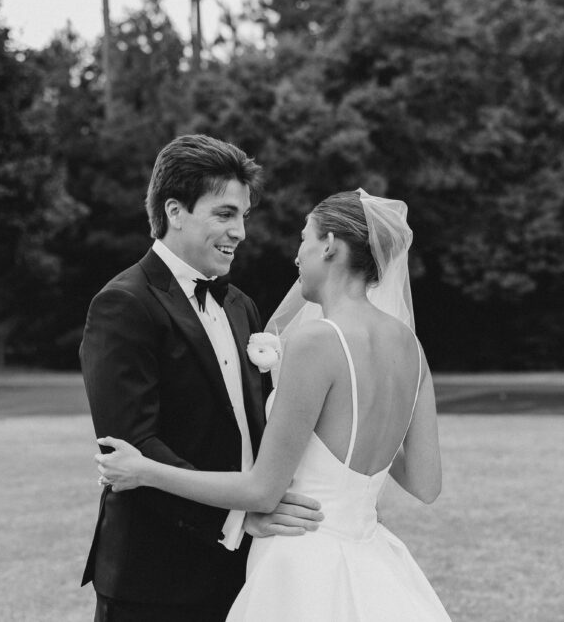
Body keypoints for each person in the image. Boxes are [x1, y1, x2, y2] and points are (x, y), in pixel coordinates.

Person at [96, 189, 452, 621]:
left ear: (330, 245)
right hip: (372, 559)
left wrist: (146, 470)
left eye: (304, 239)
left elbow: (263, 491)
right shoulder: (411, 349)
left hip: (304, 562)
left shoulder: (316, 341)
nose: (297, 257)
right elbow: (426, 484)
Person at [80, 134, 323, 622]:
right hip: (154, 578)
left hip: (244, 570)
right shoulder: (123, 303)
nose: (241, 232)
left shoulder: (240, 305)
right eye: (225, 214)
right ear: (174, 211)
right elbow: (133, 443)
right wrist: (238, 513)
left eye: (244, 217)